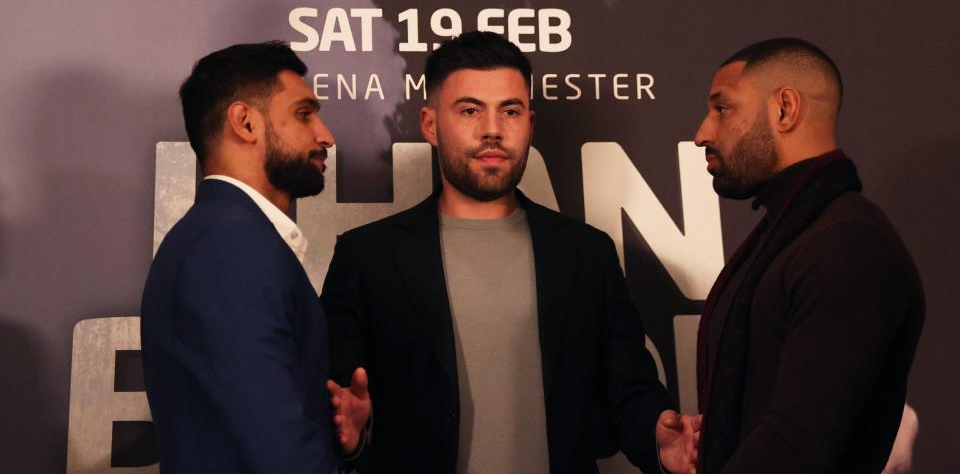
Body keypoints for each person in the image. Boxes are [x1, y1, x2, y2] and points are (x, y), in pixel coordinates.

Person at [321, 31, 700, 474]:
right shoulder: (367, 256)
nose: (492, 130)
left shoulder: (587, 253)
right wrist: (350, 439)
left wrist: (660, 441)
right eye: (469, 110)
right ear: (429, 125)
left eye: (511, 110)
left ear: (530, 124)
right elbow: (341, 404)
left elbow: (628, 389)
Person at [692, 38, 925, 473]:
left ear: (785, 108)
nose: (702, 132)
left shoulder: (849, 243)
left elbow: (798, 445)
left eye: (722, 109)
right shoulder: (792, 233)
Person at [141, 41, 370, 473]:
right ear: (246, 122)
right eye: (304, 114)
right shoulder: (231, 249)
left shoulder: (220, 237)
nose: (326, 136)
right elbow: (283, 458)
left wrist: (343, 438)